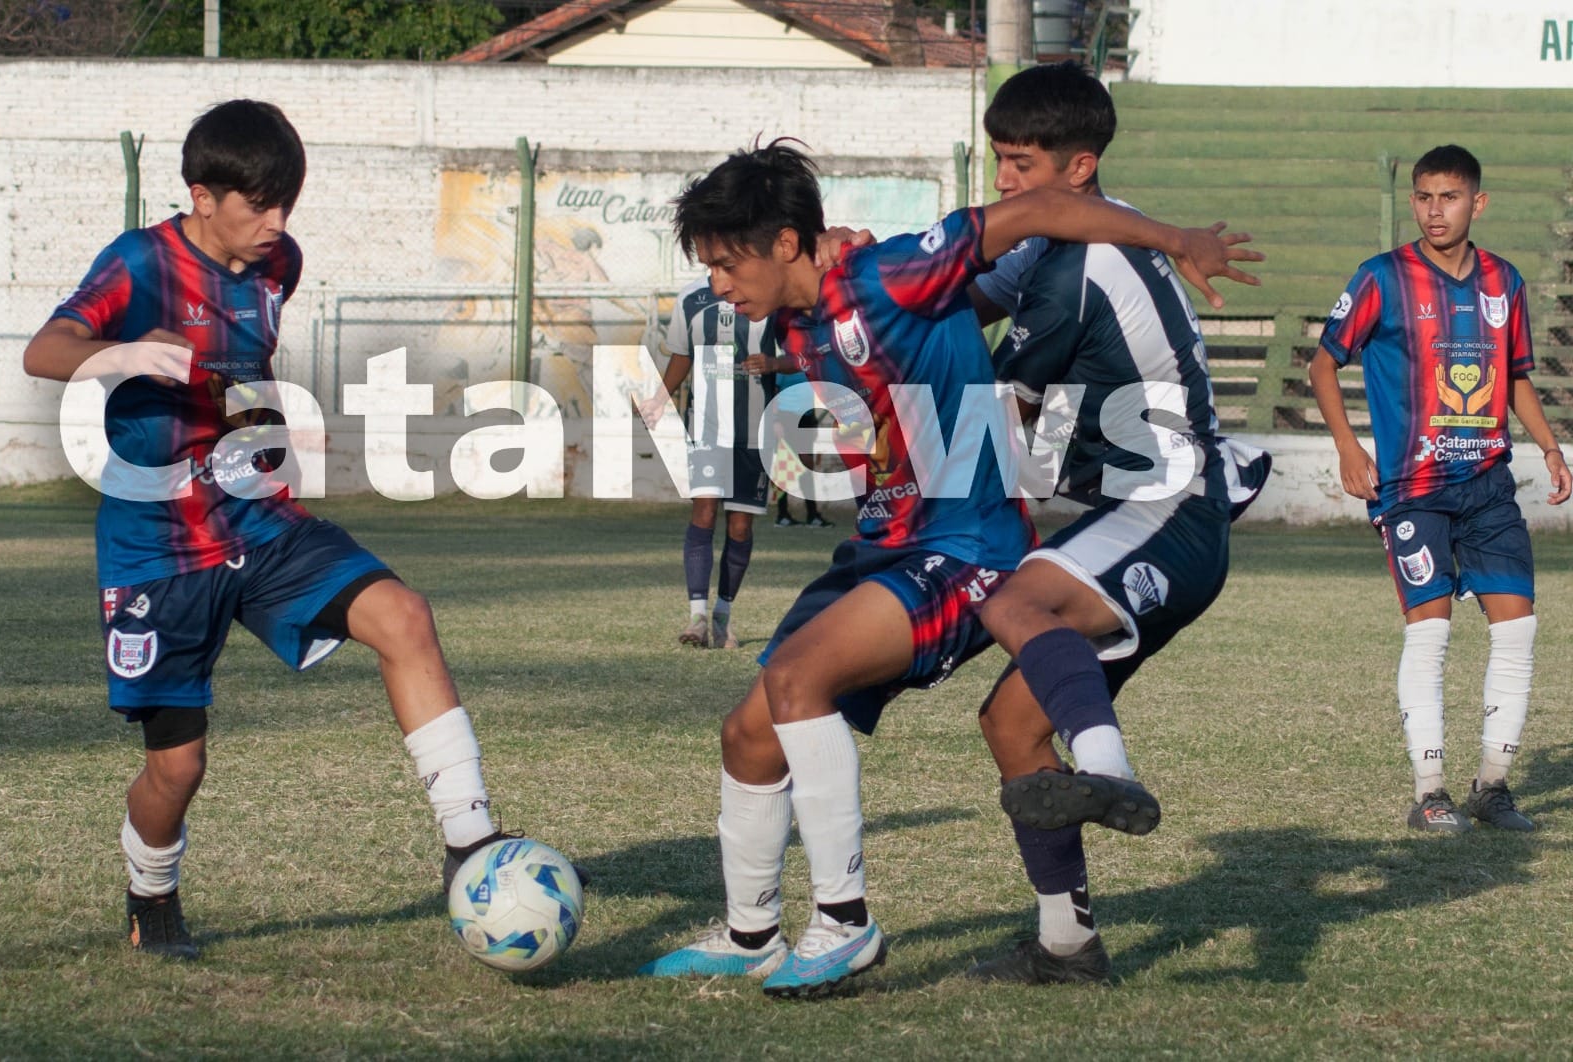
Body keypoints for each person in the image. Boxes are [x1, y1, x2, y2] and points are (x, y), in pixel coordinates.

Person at [636, 139, 1261, 998]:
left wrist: (1171, 237)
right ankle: (750, 934)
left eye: (726, 260)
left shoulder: (888, 276)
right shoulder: (795, 317)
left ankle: (843, 926)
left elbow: (1036, 213)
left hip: (963, 551)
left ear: (785, 243)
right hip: (885, 548)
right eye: (706, 265)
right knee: (747, 734)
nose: (716, 282)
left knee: (796, 681)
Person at [21, 100, 553, 960]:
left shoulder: (279, 265)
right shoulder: (139, 264)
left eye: (286, 204)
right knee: (177, 769)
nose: (277, 223)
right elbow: (43, 350)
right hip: (158, 548)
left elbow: (245, 364)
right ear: (202, 195)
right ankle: (149, 898)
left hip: (260, 520)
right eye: (259, 205)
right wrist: (118, 356)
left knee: (405, 616)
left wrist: (267, 428)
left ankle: (469, 843)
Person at [926, 60, 1273, 986]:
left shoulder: (1081, 264)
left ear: (1077, 170)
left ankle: (1110, 767)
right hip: (1143, 512)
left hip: (1171, 510)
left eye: (1018, 163)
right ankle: (1068, 947)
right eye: (999, 160)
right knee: (1010, 724)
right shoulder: (1055, 247)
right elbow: (956, 300)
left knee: (1013, 595)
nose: (1002, 182)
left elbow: (1001, 417)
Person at [1310, 143, 1569, 835]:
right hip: (1412, 489)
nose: (1433, 209)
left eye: (1448, 196)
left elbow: (1515, 376)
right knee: (1431, 636)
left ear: (1476, 202)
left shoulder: (1503, 282)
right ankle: (1430, 792)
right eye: (1424, 196)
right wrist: (1346, 446)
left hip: (1487, 485)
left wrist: (1548, 446)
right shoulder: (1381, 277)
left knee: (1517, 630)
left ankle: (1492, 787)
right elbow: (1323, 365)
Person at [643, 274, 780, 649]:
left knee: (739, 527)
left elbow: (801, 357)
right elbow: (682, 355)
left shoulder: (769, 288)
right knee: (703, 511)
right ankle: (697, 618)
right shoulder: (691, 297)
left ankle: (723, 615)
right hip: (705, 427)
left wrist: (773, 364)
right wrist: (659, 399)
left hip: (755, 431)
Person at [770, 370, 836, 528]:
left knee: (807, 466)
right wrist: (775, 420)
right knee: (785, 466)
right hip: (787, 418)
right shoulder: (782, 365)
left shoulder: (809, 364)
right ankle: (782, 515)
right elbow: (773, 393)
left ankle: (812, 516)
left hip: (807, 418)